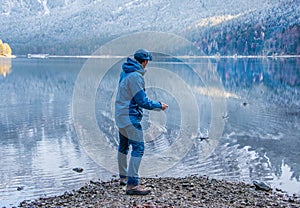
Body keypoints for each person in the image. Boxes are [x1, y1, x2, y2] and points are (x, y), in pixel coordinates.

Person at [115, 49, 168, 195]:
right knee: (138, 148)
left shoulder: (125, 72)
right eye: (147, 62)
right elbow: (142, 101)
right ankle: (132, 185)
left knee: (124, 145)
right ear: (144, 62)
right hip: (130, 117)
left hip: (120, 115)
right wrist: (159, 106)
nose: (147, 64)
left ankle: (123, 177)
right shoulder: (136, 77)